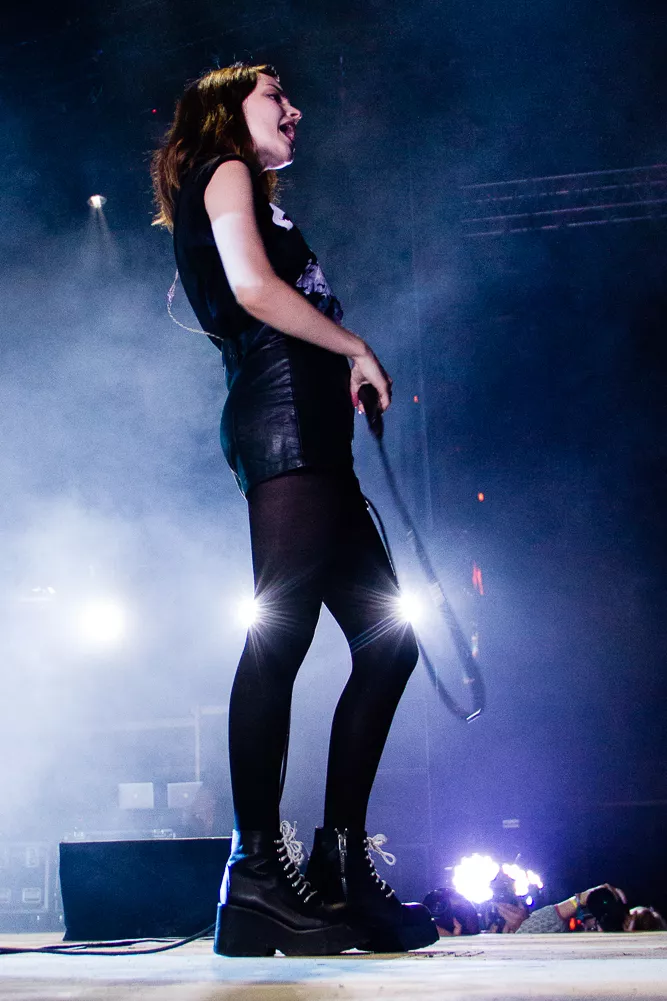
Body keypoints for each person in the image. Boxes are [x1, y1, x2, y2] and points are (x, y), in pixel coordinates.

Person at [151, 62, 437, 957]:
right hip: (282, 420)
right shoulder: (225, 170)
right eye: (275, 95)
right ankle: (256, 874)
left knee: (387, 642)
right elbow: (250, 288)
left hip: (310, 429)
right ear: (225, 111)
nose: (295, 108)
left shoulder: (252, 191)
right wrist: (354, 347)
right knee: (280, 632)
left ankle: (339, 862)